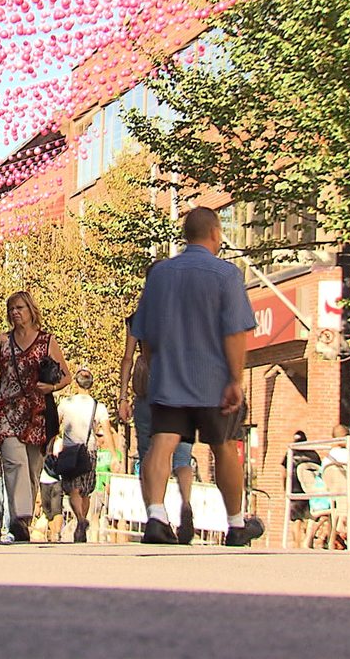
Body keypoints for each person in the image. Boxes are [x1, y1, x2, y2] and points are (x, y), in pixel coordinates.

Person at [130, 207, 263, 546]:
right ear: (216, 233)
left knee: (162, 443)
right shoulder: (226, 274)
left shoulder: (160, 275)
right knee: (223, 448)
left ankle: (156, 517)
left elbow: (143, 331)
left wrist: (154, 363)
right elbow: (234, 331)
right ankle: (235, 525)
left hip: (169, 375)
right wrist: (236, 379)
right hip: (213, 379)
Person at [0, 291, 72, 542]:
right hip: (7, 412)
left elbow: (66, 376)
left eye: (20, 307)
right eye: (11, 308)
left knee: (32, 471)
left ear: (31, 310)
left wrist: (51, 388)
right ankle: (19, 519)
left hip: (37, 414)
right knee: (15, 463)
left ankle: (23, 520)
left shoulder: (46, 341)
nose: (15, 312)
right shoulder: (2, 341)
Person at [119, 268, 198, 544]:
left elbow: (128, 359)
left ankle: (155, 515)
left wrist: (122, 397)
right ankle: (186, 502)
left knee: (148, 454)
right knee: (182, 456)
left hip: (147, 391)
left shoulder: (139, 317)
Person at [56, 370, 111, 543]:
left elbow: (54, 423)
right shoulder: (99, 406)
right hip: (89, 450)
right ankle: (81, 524)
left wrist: (51, 443)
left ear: (76, 383)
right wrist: (113, 454)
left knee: (73, 489)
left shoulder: (66, 403)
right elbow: (107, 431)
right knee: (86, 491)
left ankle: (80, 519)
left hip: (70, 450)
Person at [283, 430, 322, 548]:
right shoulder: (313, 454)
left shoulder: (290, 453)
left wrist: (285, 487)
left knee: (296, 520)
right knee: (309, 516)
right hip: (310, 489)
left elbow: (284, 473)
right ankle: (306, 540)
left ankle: (297, 543)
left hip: (294, 489)